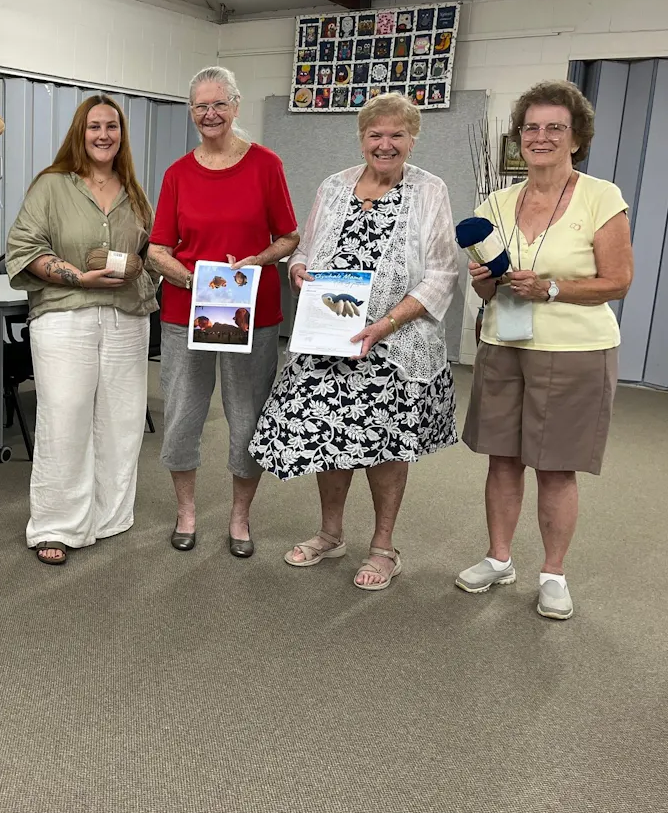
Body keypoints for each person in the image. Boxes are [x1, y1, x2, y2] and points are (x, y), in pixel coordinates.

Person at [249, 93, 459, 591]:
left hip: (394, 343)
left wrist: (384, 324)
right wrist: (299, 267)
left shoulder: (429, 190)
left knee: (386, 447)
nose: (385, 145)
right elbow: (308, 246)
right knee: (329, 436)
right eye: (375, 135)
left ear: (412, 139)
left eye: (396, 135)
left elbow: (442, 273)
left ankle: (384, 548)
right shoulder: (335, 185)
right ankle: (330, 533)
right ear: (361, 138)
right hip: (330, 339)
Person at [457, 80, 633, 620]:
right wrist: (484, 279)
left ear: (576, 137)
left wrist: (552, 287)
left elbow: (618, 281)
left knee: (556, 467)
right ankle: (499, 558)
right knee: (503, 459)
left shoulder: (600, 197)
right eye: (531, 127)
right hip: (503, 343)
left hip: (575, 350)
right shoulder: (499, 201)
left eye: (554, 127)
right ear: (518, 138)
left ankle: (553, 573)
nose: (541, 137)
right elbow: (487, 289)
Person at [146, 66, 299, 557]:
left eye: (219, 104)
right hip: (185, 312)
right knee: (182, 416)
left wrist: (256, 262)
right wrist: (192, 279)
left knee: (247, 417)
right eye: (200, 106)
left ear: (235, 106)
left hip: (250, 313)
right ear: (191, 112)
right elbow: (156, 248)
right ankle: (186, 511)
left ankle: (239, 517)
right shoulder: (176, 174)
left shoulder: (266, 165)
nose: (210, 114)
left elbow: (289, 237)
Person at [4, 95, 157, 565]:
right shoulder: (52, 186)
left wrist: (140, 271)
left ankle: (108, 516)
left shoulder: (134, 192)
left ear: (121, 135)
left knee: (122, 420)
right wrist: (76, 274)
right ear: (80, 131)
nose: (104, 135)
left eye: (112, 126)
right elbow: (23, 247)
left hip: (127, 318)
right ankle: (55, 523)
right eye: (94, 126)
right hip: (65, 314)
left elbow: (153, 251)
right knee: (65, 416)